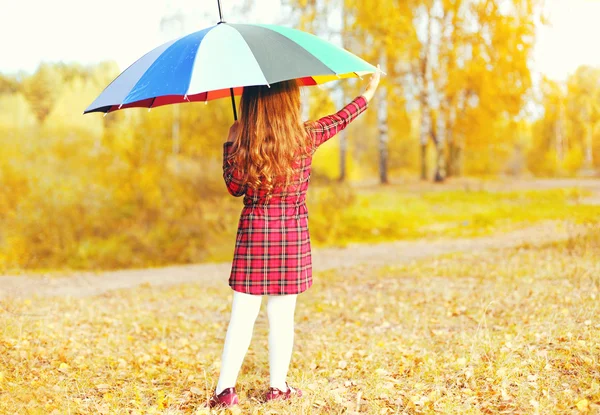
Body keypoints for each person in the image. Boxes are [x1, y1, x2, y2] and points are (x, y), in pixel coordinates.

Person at [209, 69, 381, 408]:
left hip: (255, 234)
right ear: (291, 101)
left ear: (251, 104)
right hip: (291, 236)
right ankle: (278, 387)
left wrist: (232, 140)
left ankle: (224, 392)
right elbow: (342, 118)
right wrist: (368, 92)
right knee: (282, 314)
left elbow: (233, 188)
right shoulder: (307, 136)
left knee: (242, 314)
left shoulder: (245, 142)